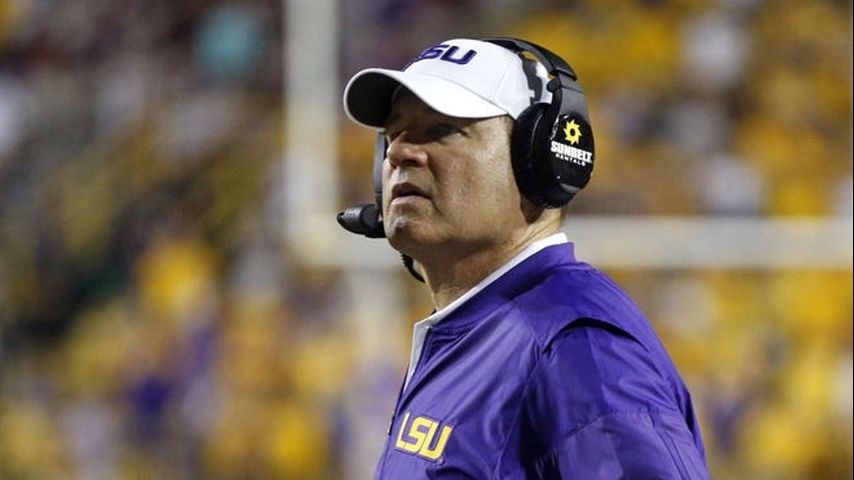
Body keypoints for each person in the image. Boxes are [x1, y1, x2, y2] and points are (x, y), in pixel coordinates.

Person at [339, 37, 709, 479]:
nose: (399, 152)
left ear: (539, 162)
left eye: (443, 130)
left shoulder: (575, 346)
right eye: (395, 134)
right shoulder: (479, 332)